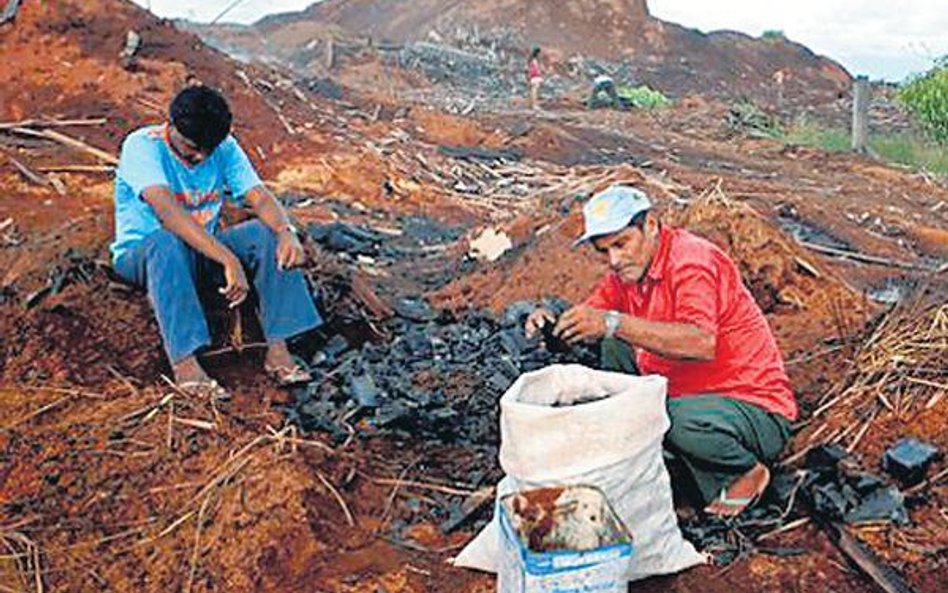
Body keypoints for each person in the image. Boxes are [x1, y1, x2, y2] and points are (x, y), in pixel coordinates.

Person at [524, 184, 797, 517]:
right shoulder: (629, 271)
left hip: (753, 411)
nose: (614, 259)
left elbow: (700, 342)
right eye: (604, 250)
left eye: (621, 244)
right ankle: (655, 454)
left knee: (671, 416)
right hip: (689, 397)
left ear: (651, 225)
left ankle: (742, 473)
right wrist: (554, 321)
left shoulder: (691, 261)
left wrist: (612, 322)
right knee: (615, 342)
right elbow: (593, 315)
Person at [111, 85, 323, 399]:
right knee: (165, 241)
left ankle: (279, 350)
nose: (200, 157)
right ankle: (186, 368)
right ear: (170, 125)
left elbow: (259, 196)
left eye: (208, 150)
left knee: (264, 233)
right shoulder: (142, 146)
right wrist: (228, 259)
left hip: (201, 252)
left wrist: (285, 231)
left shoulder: (224, 148)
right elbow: (168, 212)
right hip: (143, 257)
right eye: (191, 147)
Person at [527, 46, 543, 111]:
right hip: (535, 77)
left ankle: (533, 104)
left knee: (534, 91)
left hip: (534, 77)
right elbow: (533, 70)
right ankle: (534, 105)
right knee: (534, 91)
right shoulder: (534, 61)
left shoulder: (532, 60)